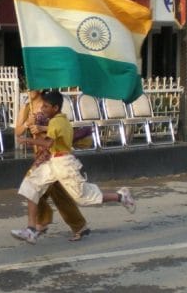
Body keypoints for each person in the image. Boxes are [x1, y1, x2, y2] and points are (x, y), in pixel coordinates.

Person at [11, 90, 135, 244]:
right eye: (42, 107)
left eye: (46, 107)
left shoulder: (57, 121)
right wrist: (31, 126)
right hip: (51, 162)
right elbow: (46, 132)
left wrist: (27, 140)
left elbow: (49, 142)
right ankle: (31, 229)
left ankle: (120, 196)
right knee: (31, 186)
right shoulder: (52, 117)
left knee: (82, 197)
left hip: (63, 163)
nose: (43, 109)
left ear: (55, 108)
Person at [15, 90, 90, 241]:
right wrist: (27, 123)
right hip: (40, 153)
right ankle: (77, 225)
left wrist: (42, 128)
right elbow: (18, 131)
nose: (29, 90)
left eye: (33, 88)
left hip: (52, 154)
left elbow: (61, 127)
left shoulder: (50, 105)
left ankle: (40, 223)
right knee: (55, 192)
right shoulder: (26, 108)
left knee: (32, 186)